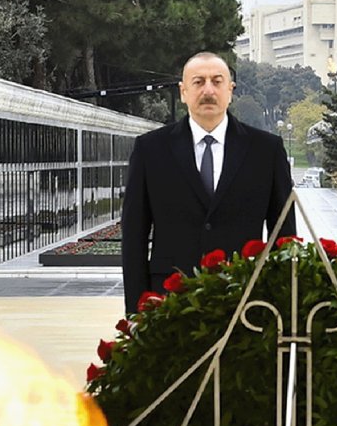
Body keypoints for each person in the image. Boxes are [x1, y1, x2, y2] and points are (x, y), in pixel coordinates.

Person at [120, 52, 297, 313]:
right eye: (198, 82)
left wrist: (279, 303)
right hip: (169, 302)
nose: (208, 90)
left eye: (217, 81)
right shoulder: (150, 149)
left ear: (230, 90)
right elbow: (134, 234)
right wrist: (136, 311)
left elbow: (284, 235)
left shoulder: (266, 150)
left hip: (245, 301)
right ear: (183, 92)